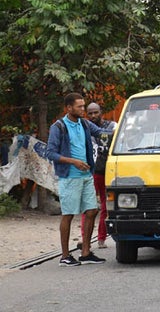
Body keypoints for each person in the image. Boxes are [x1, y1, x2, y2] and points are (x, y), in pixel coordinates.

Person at [45, 93, 113, 266]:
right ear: (69, 108)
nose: (84, 109)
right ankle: (65, 256)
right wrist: (73, 161)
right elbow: (50, 153)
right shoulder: (58, 127)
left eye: (84, 106)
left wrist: (123, 131)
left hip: (86, 176)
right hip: (69, 177)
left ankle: (86, 252)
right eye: (80, 107)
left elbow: (102, 133)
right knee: (68, 215)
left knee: (91, 211)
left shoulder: (84, 123)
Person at [79, 103, 117, 249]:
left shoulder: (112, 126)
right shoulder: (84, 128)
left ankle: (101, 238)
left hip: (108, 171)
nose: (93, 116)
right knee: (87, 205)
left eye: (95, 112)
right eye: (90, 113)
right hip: (92, 172)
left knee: (105, 207)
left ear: (101, 112)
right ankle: (85, 238)